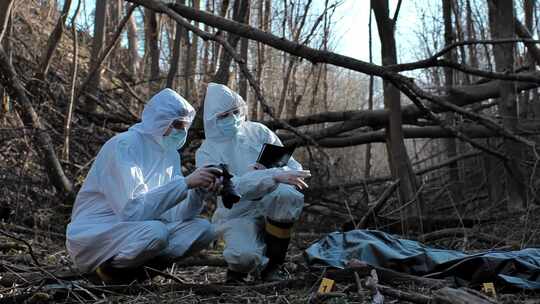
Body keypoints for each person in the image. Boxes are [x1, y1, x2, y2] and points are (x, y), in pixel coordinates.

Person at [66, 88, 222, 283]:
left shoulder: (170, 153)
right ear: (159, 119)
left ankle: (138, 272)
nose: (181, 132)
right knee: (156, 233)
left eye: (185, 126)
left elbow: (173, 214)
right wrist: (185, 183)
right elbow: (131, 210)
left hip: (138, 231)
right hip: (98, 234)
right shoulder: (124, 145)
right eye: (177, 125)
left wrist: (197, 190)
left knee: (204, 229)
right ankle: (106, 274)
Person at [196, 83, 310, 282]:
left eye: (235, 111)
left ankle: (274, 265)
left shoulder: (258, 132)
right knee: (243, 257)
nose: (232, 118)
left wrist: (273, 170)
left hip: (269, 203)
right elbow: (233, 188)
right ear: (212, 119)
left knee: (287, 194)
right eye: (223, 115)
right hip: (236, 213)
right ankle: (240, 269)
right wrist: (269, 175)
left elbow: (291, 167)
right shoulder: (206, 152)